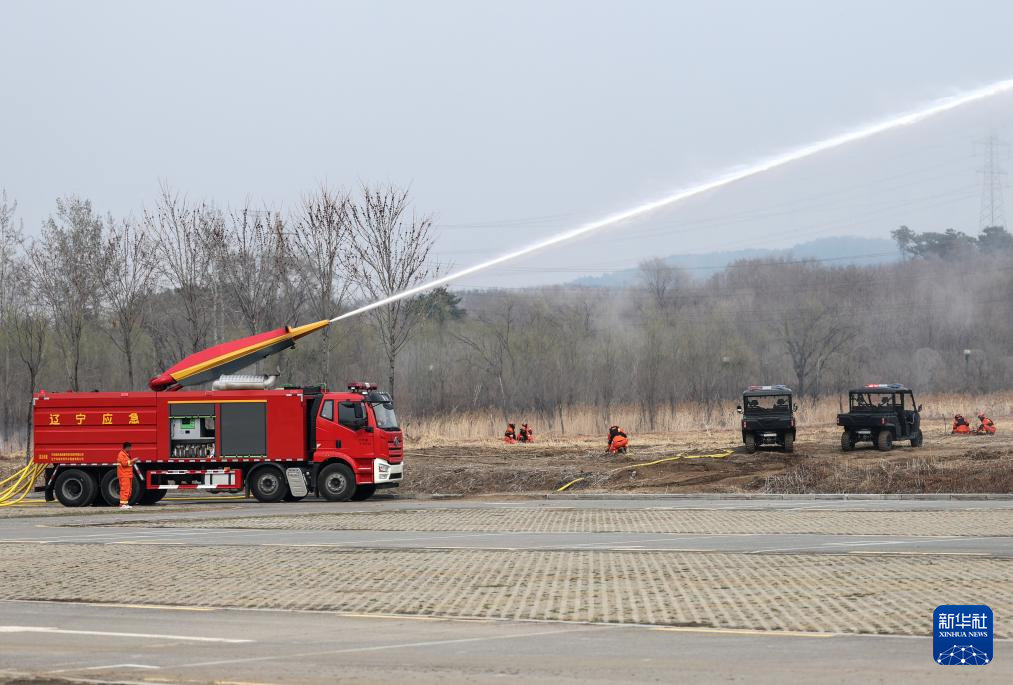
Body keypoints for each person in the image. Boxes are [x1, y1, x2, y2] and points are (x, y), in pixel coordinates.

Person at [116, 441, 137, 509]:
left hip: (127, 474)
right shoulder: (121, 454)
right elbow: (124, 464)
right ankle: (122, 505)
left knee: (128, 490)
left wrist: (133, 462)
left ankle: (125, 503)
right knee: (125, 489)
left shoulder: (125, 454)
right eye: (130, 448)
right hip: (124, 475)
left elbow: (128, 464)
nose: (130, 449)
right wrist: (132, 460)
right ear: (127, 447)